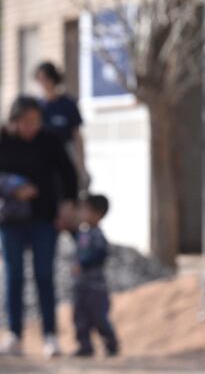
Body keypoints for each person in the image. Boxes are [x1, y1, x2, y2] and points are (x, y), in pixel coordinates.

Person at [0, 96, 78, 358]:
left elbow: (69, 175)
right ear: (14, 120)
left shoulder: (49, 140)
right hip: (10, 221)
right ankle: (14, 334)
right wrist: (14, 189)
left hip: (45, 220)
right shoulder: (3, 140)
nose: (32, 126)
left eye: (36, 121)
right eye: (26, 122)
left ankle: (50, 336)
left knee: (45, 277)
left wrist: (66, 206)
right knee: (14, 277)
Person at [70, 194, 119, 358]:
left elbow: (100, 254)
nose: (81, 213)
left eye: (85, 210)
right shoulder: (82, 233)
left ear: (97, 214)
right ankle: (84, 346)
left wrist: (83, 263)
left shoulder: (97, 235)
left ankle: (111, 343)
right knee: (79, 317)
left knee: (99, 317)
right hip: (80, 285)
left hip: (96, 287)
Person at [35, 62, 88, 192]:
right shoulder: (37, 107)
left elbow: (77, 135)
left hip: (66, 151)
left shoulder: (68, 104)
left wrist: (81, 165)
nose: (43, 83)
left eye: (45, 79)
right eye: (39, 79)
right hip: (44, 154)